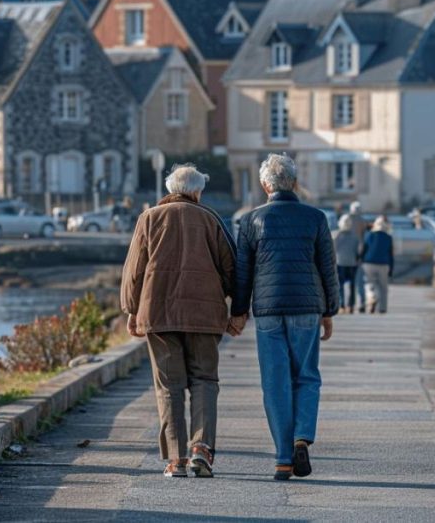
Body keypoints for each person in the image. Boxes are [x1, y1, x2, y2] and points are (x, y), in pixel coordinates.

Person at [121, 163, 238, 479]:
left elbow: (134, 270)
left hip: (158, 315)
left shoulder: (149, 219)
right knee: (204, 380)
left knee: (169, 386)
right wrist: (236, 308)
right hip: (204, 315)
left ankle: (176, 459)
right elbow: (231, 267)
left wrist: (131, 310)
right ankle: (202, 449)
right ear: (197, 192)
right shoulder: (210, 219)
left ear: (170, 191)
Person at [231, 154, 339, 481]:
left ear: (265, 185)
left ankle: (282, 459)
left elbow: (242, 274)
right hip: (307, 307)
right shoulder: (316, 218)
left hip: (267, 310)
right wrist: (329, 311)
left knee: (274, 382)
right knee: (306, 375)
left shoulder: (250, 221)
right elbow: (328, 268)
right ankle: (301, 437)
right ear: (294, 182)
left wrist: (238, 312)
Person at [361, 217, 394, 314]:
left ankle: (372, 297)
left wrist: (361, 260)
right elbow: (390, 254)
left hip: (369, 263)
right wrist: (391, 269)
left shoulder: (370, 235)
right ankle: (382, 308)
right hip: (384, 264)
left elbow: (364, 249)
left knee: (369, 284)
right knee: (383, 287)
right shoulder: (388, 237)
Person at [334, 214, 361, 313]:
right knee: (352, 285)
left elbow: (333, 250)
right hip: (352, 263)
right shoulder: (355, 237)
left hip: (339, 262)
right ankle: (351, 306)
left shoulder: (336, 235)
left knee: (340, 285)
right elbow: (357, 251)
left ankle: (342, 305)